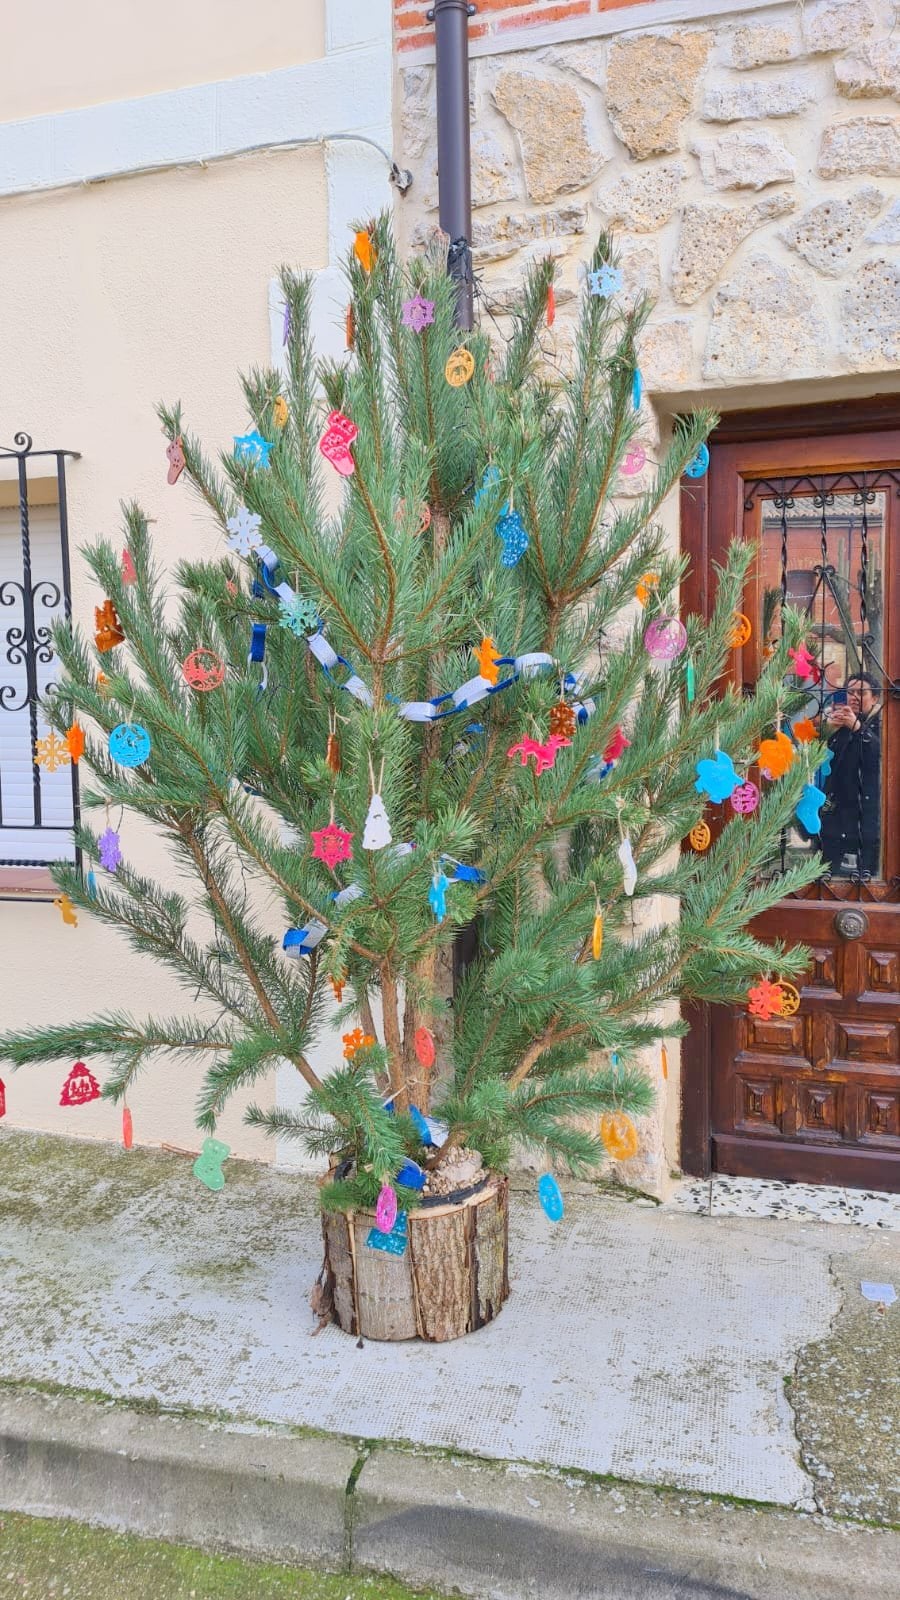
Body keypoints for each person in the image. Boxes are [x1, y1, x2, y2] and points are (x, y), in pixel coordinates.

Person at [820, 672, 882, 878]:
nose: (854, 697)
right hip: (836, 809)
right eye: (850, 692)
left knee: (866, 875)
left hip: (866, 810)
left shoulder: (882, 723)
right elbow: (821, 759)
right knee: (828, 872)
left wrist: (857, 727)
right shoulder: (839, 723)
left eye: (861, 692)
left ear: (874, 699)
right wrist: (827, 732)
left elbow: (878, 752)